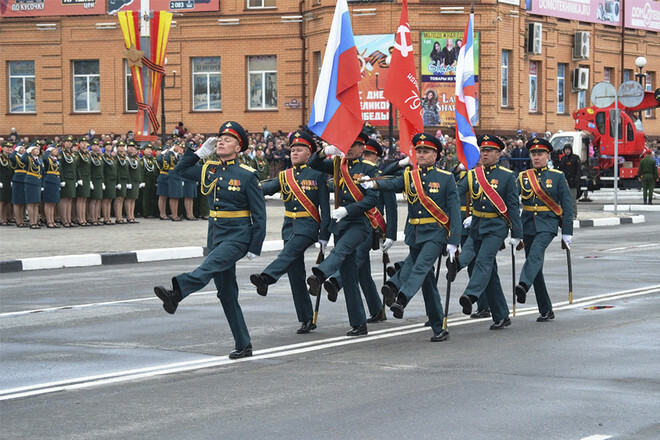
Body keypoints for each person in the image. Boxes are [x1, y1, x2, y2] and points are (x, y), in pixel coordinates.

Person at [153, 121, 266, 359]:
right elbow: (180, 171)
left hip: (237, 236)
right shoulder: (210, 169)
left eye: (228, 140)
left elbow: (259, 214)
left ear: (239, 147)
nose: (221, 142)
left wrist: (255, 245)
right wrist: (198, 154)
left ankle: (176, 293)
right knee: (226, 294)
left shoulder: (247, 175)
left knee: (208, 267)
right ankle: (243, 344)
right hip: (215, 234)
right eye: (220, 139)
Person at [362, 133, 461, 342]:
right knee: (427, 283)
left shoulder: (445, 177)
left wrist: (454, 241)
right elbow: (388, 179)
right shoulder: (409, 176)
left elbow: (454, 211)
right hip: (415, 234)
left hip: (436, 234)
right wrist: (373, 183)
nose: (422, 155)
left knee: (420, 268)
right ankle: (439, 326)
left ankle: (402, 299)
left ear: (436, 155)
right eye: (419, 151)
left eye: (426, 151)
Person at [249, 130, 330, 334]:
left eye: (299, 149)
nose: (294, 153)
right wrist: (246, 187)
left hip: (308, 227)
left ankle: (267, 278)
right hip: (289, 229)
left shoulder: (317, 175)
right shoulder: (284, 176)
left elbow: (325, 208)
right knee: (295, 273)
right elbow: (264, 189)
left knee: (287, 254)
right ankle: (306, 318)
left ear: (309, 153)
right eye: (292, 149)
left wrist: (324, 234)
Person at [306, 132, 380, 337]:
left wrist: (349, 210)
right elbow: (313, 163)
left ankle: (320, 274)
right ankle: (358, 323)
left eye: (353, 144)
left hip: (359, 222)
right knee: (348, 276)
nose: (348, 148)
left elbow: (372, 199)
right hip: (340, 223)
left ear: (362, 147)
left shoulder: (369, 168)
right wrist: (325, 151)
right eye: (346, 143)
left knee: (341, 250)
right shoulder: (338, 164)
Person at [322, 138, 398, 324]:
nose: (367, 158)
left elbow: (391, 207)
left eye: (369, 155)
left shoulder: (377, 175)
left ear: (376, 157)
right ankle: (376, 310)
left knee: (355, 257)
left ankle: (337, 281)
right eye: (365, 155)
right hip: (348, 223)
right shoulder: (347, 171)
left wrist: (390, 234)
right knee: (363, 273)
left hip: (370, 227)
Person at [454, 134, 523, 330]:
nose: (484, 154)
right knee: (488, 271)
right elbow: (455, 191)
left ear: (498, 154)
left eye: (489, 151)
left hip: (496, 228)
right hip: (476, 227)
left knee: (483, 262)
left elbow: (512, 205)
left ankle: (471, 295)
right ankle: (501, 315)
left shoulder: (507, 176)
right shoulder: (473, 174)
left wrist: (516, 233)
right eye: (482, 150)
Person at [516, 138, 573, 322]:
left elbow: (567, 205)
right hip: (527, 225)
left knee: (536, 254)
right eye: (533, 154)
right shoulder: (523, 177)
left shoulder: (557, 176)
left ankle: (523, 285)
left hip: (547, 224)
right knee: (536, 268)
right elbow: (510, 199)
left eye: (540, 154)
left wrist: (567, 232)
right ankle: (546, 309)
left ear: (547, 156)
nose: (536, 157)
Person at [557, 143, 581, 215]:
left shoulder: (575, 158)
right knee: (564, 200)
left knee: (572, 199)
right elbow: (561, 169)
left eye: (568, 150)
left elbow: (578, 170)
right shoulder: (563, 158)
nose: (567, 151)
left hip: (573, 182)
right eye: (566, 150)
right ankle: (565, 213)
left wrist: (576, 180)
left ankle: (574, 214)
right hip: (565, 182)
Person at [59, 135, 77, 227]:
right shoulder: (61, 153)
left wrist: (76, 179)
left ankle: (68, 218)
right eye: (67, 141)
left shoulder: (72, 154)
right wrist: (61, 179)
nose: (69, 143)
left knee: (70, 199)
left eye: (71, 142)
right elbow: (60, 167)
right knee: (64, 199)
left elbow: (75, 167)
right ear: (64, 143)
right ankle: (64, 219)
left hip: (72, 178)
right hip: (65, 178)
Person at [42, 143, 62, 228]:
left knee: (53, 202)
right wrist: (48, 150)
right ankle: (48, 220)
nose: (56, 151)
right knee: (48, 202)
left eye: (56, 150)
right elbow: (44, 158)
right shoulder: (48, 159)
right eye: (54, 150)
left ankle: (52, 220)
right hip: (49, 181)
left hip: (55, 181)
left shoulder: (56, 160)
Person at [9, 143, 27, 227]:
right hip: (17, 179)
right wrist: (15, 150)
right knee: (17, 201)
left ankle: (22, 219)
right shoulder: (15, 156)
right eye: (21, 148)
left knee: (22, 201)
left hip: (25, 179)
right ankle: (18, 220)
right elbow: (11, 157)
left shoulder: (24, 157)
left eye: (24, 148)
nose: (23, 149)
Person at [75, 138, 92, 226]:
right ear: (79, 144)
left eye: (85, 143)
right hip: (81, 178)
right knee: (80, 198)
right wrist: (79, 178)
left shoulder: (86, 154)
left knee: (84, 199)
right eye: (82, 143)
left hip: (87, 178)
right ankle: (80, 218)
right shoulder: (78, 154)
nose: (84, 144)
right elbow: (77, 167)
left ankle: (84, 218)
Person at [124, 140, 141, 223]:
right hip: (130, 180)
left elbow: (139, 170)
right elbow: (126, 170)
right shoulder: (126, 158)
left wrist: (140, 180)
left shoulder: (136, 158)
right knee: (129, 198)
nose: (132, 148)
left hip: (136, 180)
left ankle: (132, 215)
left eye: (133, 147)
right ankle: (129, 216)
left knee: (133, 199)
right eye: (130, 147)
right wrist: (128, 181)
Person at [89, 140, 104, 225]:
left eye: (97, 145)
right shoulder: (90, 156)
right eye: (94, 145)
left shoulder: (99, 156)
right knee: (94, 199)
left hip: (99, 179)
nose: (96, 147)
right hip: (93, 179)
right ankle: (92, 218)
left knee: (98, 199)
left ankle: (97, 216)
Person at [114, 141, 129, 224]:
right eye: (120, 146)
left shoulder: (124, 157)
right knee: (118, 198)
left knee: (122, 198)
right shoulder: (116, 157)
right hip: (119, 179)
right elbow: (116, 170)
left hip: (124, 178)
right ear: (117, 148)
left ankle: (120, 216)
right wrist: (118, 181)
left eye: (123, 146)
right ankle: (118, 217)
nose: (122, 148)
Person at [0, 141, 14, 225]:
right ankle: (1, 218)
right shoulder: (1, 157)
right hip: (2, 181)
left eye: (10, 147)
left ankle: (5, 217)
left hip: (8, 181)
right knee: (1, 201)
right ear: (3, 148)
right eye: (7, 147)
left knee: (6, 201)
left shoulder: (9, 157)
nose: (9, 149)